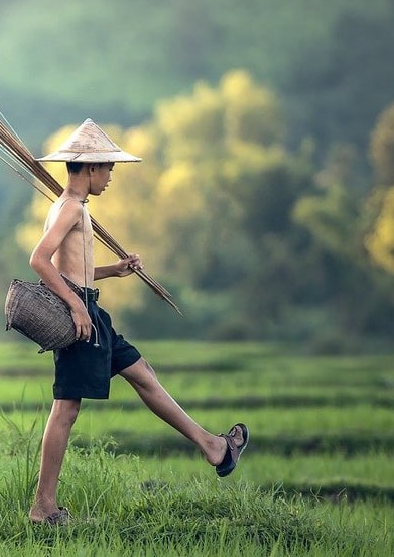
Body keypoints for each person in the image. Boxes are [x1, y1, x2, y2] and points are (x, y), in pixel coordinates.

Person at [26, 119, 249, 525]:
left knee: (142, 373)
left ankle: (213, 447)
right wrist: (76, 307)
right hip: (82, 317)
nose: (111, 176)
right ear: (91, 168)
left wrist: (114, 270)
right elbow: (40, 260)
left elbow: (74, 268)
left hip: (92, 311)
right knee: (66, 409)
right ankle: (43, 508)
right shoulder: (70, 208)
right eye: (109, 168)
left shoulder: (72, 206)